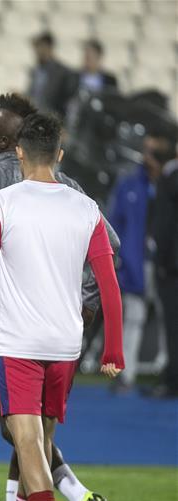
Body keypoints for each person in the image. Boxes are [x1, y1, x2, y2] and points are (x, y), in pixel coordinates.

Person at [0, 93, 119, 501]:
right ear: (60, 154)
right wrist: (107, 341)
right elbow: (110, 279)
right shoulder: (81, 202)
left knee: (22, 436)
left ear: (17, 148)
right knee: (42, 434)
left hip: (13, 333)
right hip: (67, 339)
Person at [108, 131, 175, 392]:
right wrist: (118, 257)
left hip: (168, 262)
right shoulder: (129, 184)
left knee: (170, 319)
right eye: (147, 150)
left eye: (154, 151)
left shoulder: (171, 181)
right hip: (136, 261)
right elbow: (114, 223)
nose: (149, 156)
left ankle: (169, 372)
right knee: (133, 317)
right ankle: (127, 374)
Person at [150, 152, 178, 397]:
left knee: (173, 325)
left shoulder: (170, 179)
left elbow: (164, 224)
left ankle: (173, 380)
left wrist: (160, 260)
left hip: (172, 266)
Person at [27, 32, 73, 117]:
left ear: (49, 48)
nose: (37, 51)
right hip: (35, 117)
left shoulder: (62, 72)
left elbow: (66, 101)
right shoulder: (35, 71)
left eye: (40, 47)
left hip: (53, 118)